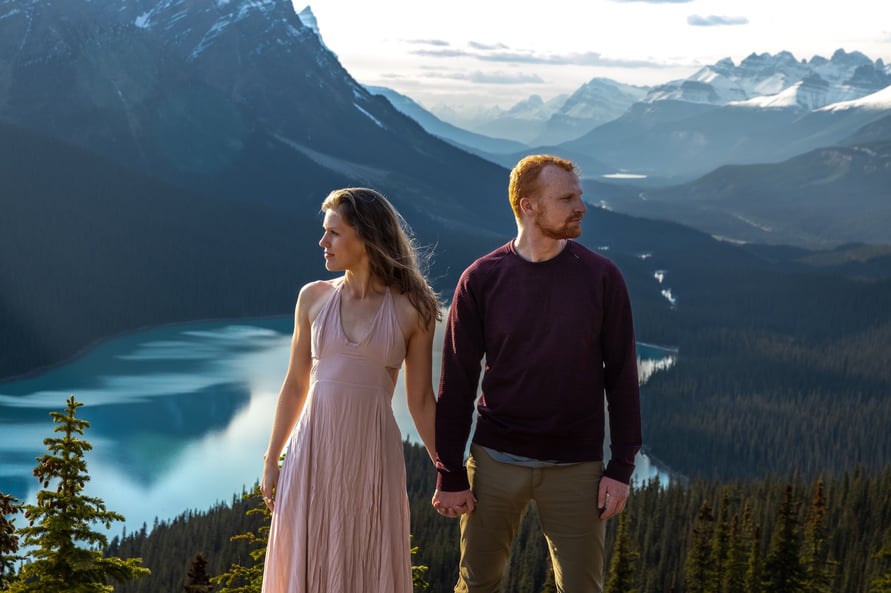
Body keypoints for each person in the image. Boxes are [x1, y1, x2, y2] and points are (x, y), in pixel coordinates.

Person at [432, 154, 642, 593]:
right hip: (493, 463)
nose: (581, 207)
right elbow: (456, 383)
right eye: (567, 198)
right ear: (528, 206)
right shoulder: (481, 280)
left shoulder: (602, 278)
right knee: (476, 585)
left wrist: (621, 466)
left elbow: (622, 377)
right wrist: (449, 471)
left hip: (577, 467)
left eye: (579, 196)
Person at [260, 187, 440, 593]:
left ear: (367, 237)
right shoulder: (312, 298)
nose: (323, 242)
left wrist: (447, 471)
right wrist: (273, 458)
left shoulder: (414, 308)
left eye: (334, 233)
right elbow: (294, 385)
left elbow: (421, 401)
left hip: (371, 457)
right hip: (312, 454)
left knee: (367, 560)